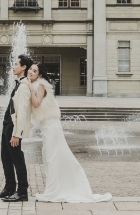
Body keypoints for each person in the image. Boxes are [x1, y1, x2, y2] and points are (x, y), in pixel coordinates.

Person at [22, 63, 112, 203]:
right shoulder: (36, 84)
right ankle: (53, 189)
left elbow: (36, 103)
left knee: (51, 157)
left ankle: (51, 192)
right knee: (50, 156)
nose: (31, 72)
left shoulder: (40, 85)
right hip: (47, 125)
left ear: (39, 75)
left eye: (34, 71)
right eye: (30, 70)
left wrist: (28, 86)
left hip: (50, 125)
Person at [0, 54, 33, 202]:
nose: (13, 66)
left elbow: (22, 113)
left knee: (17, 159)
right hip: (7, 125)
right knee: (6, 157)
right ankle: (9, 188)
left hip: (13, 127)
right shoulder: (20, 84)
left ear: (23, 67)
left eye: (16, 64)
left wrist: (16, 134)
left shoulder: (24, 86)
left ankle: (22, 192)